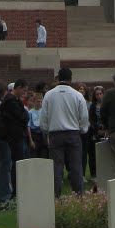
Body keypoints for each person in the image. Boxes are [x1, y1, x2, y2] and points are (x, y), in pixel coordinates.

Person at [39, 66, 89, 196]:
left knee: (56, 168)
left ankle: (55, 197)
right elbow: (83, 117)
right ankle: (79, 197)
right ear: (70, 79)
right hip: (73, 133)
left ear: (58, 79)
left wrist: (46, 130)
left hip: (55, 134)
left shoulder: (49, 95)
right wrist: (83, 129)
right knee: (76, 168)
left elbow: (43, 117)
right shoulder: (77, 95)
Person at [0, 78, 34, 206]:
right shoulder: (10, 101)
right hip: (12, 137)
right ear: (18, 87)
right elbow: (22, 116)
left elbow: (24, 116)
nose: (25, 92)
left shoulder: (15, 100)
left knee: (17, 163)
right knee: (13, 164)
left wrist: (24, 116)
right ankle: (12, 193)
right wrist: (24, 116)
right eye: (24, 90)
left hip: (16, 136)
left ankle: (17, 190)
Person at [28, 91, 46, 157]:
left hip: (42, 135)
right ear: (34, 102)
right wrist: (31, 140)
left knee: (43, 155)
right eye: (38, 101)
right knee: (34, 155)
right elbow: (28, 127)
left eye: (41, 101)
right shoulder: (30, 112)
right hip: (34, 135)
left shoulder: (44, 111)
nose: (40, 103)